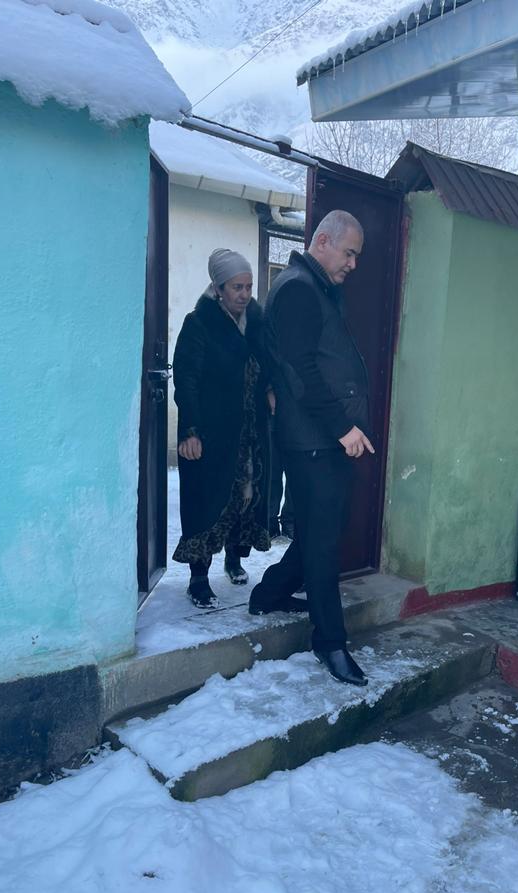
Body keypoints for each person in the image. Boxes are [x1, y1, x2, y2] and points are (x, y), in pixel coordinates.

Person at [248, 210, 374, 686]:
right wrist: (343, 428)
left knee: (323, 531)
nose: (353, 264)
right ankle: (330, 643)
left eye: (356, 256)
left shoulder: (312, 287)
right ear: (322, 242)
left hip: (320, 439)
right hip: (314, 441)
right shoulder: (299, 289)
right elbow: (299, 370)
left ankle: (269, 593)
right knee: (322, 545)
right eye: (349, 253)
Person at [171, 248, 272, 607]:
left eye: (248, 287)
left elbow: (268, 363)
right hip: (211, 431)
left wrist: (271, 388)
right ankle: (198, 577)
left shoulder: (256, 322)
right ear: (218, 289)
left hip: (250, 430)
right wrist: (190, 431)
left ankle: (234, 558)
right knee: (206, 498)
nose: (244, 294)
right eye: (236, 287)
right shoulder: (198, 324)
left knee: (246, 495)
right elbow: (186, 380)